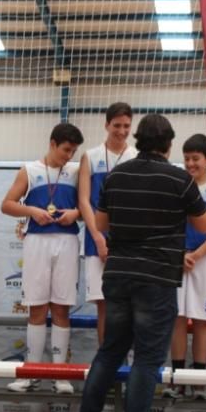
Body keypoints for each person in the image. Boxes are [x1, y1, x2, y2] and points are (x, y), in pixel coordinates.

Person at [74, 113, 206, 412]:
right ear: (168, 144)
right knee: (148, 359)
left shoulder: (117, 174)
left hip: (118, 275)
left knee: (108, 353)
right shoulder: (179, 179)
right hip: (157, 278)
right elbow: (205, 223)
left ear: (136, 139)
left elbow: (101, 222)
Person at [1, 123, 83, 394]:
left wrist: (76, 214)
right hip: (37, 241)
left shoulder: (76, 171)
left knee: (61, 308)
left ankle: (60, 375)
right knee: (36, 307)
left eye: (73, 152)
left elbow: (88, 208)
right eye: (65, 150)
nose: (68, 156)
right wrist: (33, 210)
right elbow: (7, 204)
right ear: (52, 143)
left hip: (67, 242)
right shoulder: (30, 170)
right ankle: (30, 373)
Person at [166, 134, 206, 401]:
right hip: (178, 259)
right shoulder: (177, 186)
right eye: (187, 158)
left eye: (196, 159)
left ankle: (200, 381)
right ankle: (177, 379)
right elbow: (168, 224)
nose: (191, 164)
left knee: (202, 320)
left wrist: (199, 254)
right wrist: (180, 253)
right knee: (177, 319)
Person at [78, 102, 137, 346]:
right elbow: (84, 200)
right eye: (117, 125)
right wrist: (99, 237)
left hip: (129, 243)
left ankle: (127, 367)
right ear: (106, 125)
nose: (122, 131)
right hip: (96, 242)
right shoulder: (90, 156)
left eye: (126, 126)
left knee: (129, 305)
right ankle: (107, 369)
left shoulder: (135, 157)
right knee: (104, 305)